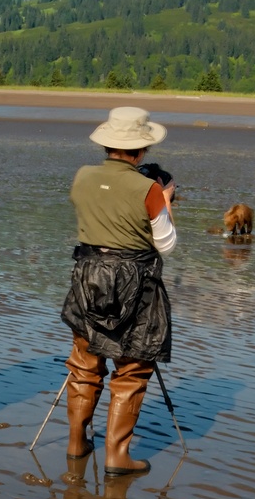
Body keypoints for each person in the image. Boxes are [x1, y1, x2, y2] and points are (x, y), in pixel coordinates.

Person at [60, 107, 176, 476]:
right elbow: (166, 244)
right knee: (132, 368)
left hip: (87, 275)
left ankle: (77, 443)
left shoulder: (81, 176)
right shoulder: (150, 188)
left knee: (84, 364)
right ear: (140, 151)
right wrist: (166, 202)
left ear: (107, 144)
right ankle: (117, 455)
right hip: (136, 281)